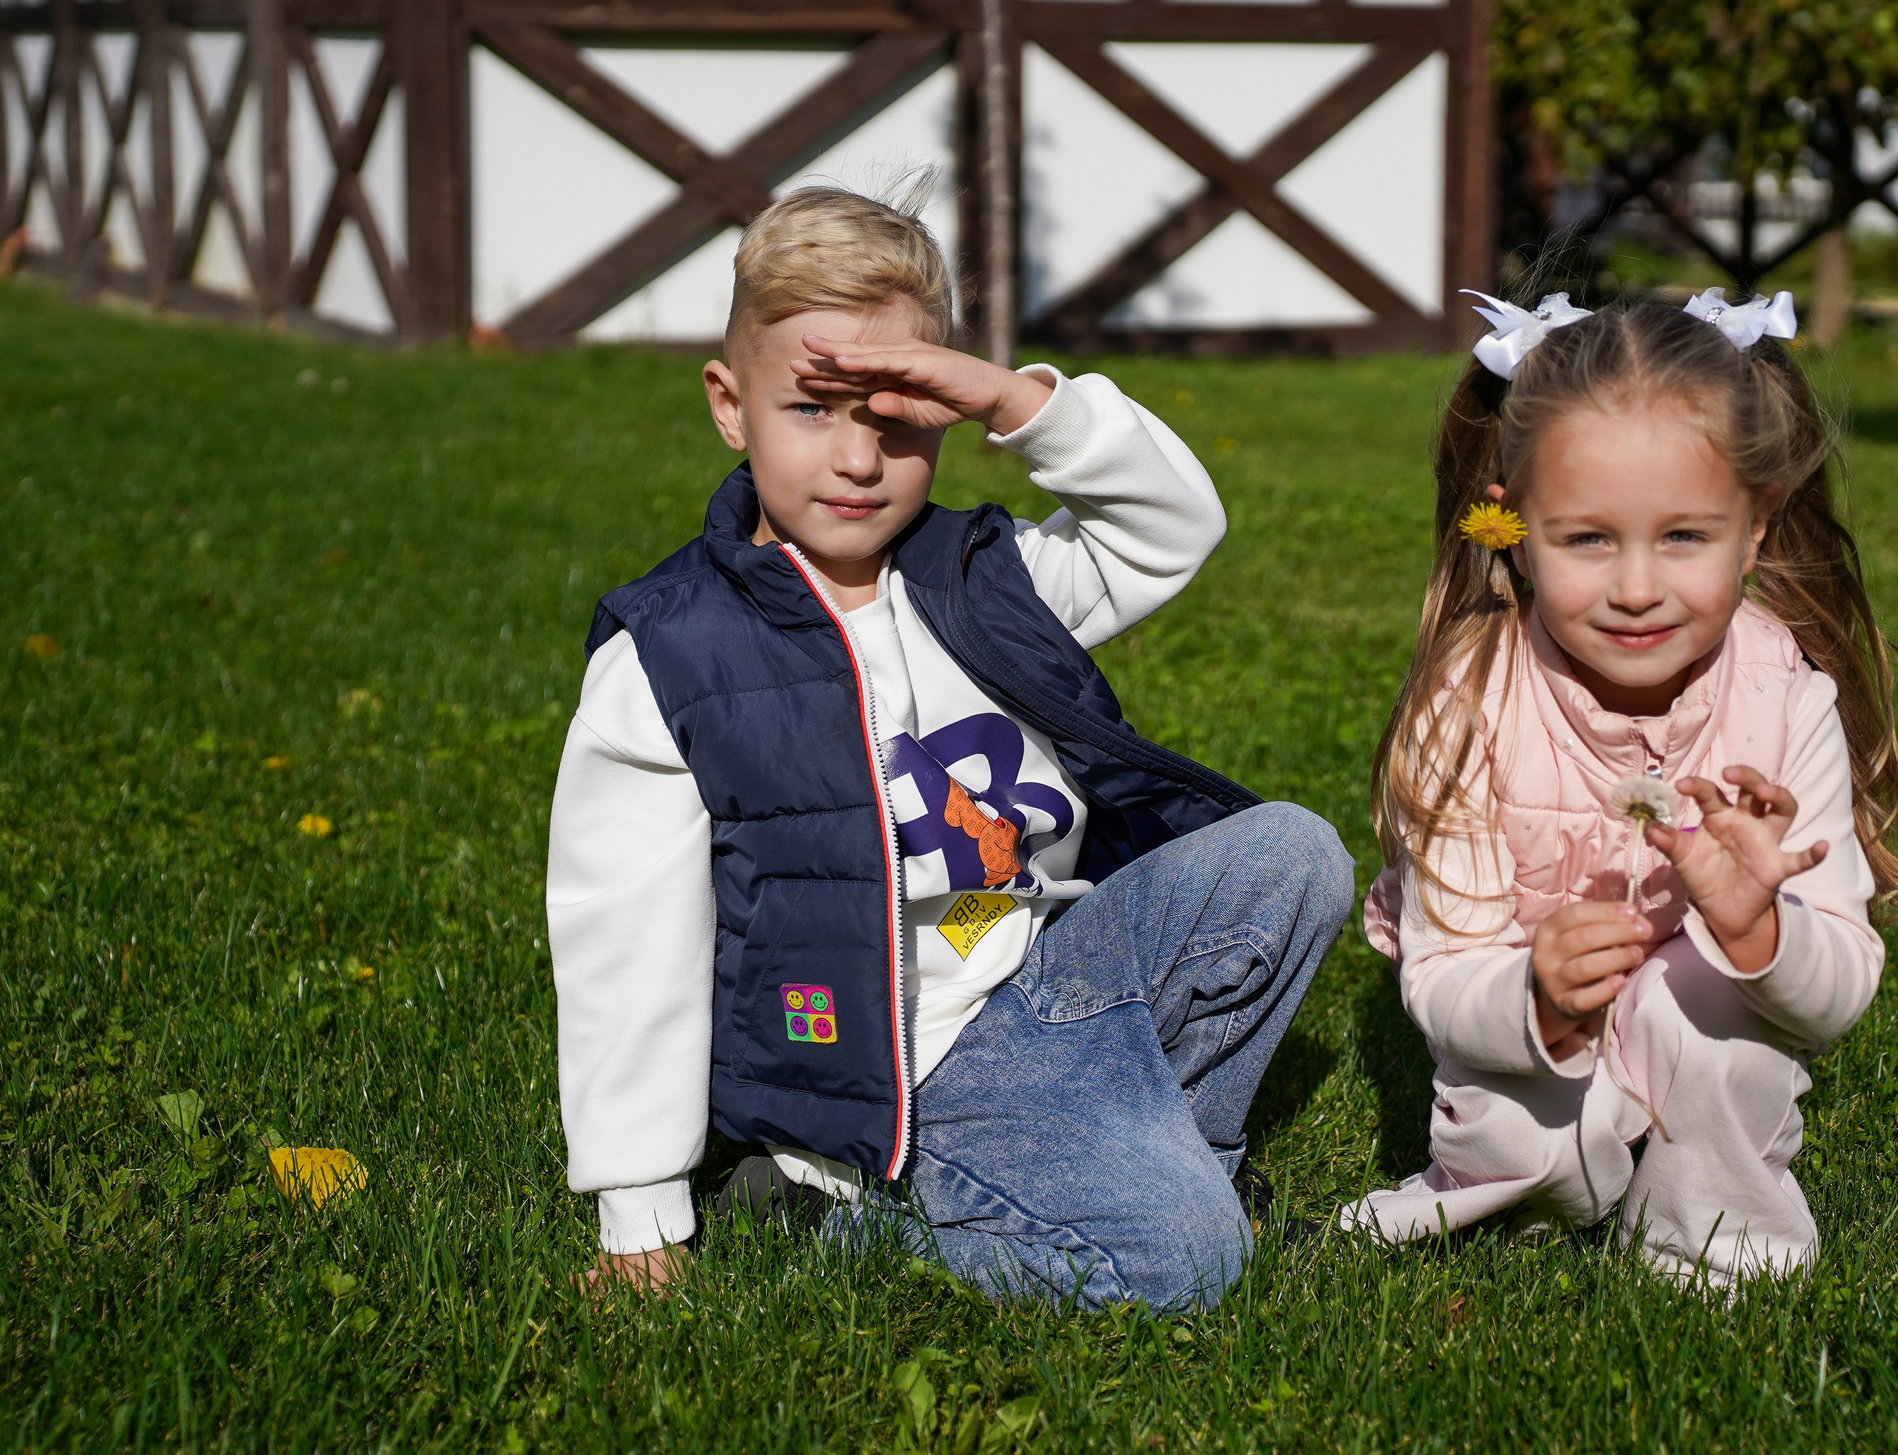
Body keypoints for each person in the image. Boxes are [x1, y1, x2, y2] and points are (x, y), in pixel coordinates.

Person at [546, 186, 1352, 1313]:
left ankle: (1178, 1150)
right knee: (1188, 1266)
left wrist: (1011, 399)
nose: (859, 459)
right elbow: (623, 942)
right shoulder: (674, 655)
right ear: (729, 407)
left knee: (1293, 853)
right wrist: (639, 1212)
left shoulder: (986, 574)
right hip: (908, 1063)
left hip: (1048, 968)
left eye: (901, 416)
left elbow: (1173, 529)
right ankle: (849, 1225)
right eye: (813, 411)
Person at [1341, 287, 1898, 1286]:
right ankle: (1546, 1172)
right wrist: (1532, 995)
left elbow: (1835, 994)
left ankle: (1703, 1236)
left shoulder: (1781, 698)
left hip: (1698, 1012)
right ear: (1512, 528)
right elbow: (1442, 974)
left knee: (1709, 1026)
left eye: (1683, 537)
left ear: (1754, 530)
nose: (1637, 587)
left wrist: (1761, 927)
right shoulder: (1463, 704)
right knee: (1523, 1152)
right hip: (1523, 1013)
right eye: (1587, 539)